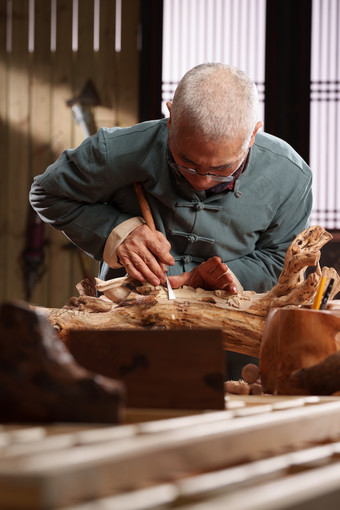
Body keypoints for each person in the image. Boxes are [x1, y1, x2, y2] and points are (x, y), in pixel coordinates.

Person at [29, 63, 313, 376]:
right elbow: (47, 194)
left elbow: (279, 261)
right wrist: (118, 232)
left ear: (253, 135)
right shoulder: (118, 151)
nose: (202, 180)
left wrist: (222, 276)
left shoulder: (290, 177)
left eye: (222, 169)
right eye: (188, 163)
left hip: (232, 344)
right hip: (128, 326)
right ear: (170, 117)